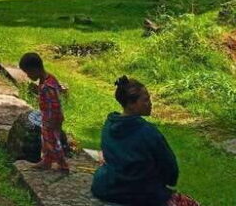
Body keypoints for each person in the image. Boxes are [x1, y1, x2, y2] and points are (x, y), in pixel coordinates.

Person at [91, 76, 199, 206]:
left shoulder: (109, 125)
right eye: (146, 100)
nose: (150, 103)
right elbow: (169, 168)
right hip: (140, 193)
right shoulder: (147, 132)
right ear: (131, 104)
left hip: (106, 187)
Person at [19, 52, 70, 172]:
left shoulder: (48, 86)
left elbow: (55, 105)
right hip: (47, 117)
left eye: (28, 73)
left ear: (35, 69)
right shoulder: (48, 79)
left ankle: (62, 164)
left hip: (52, 118)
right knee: (46, 140)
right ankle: (46, 161)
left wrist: (52, 121)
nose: (28, 76)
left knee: (52, 142)